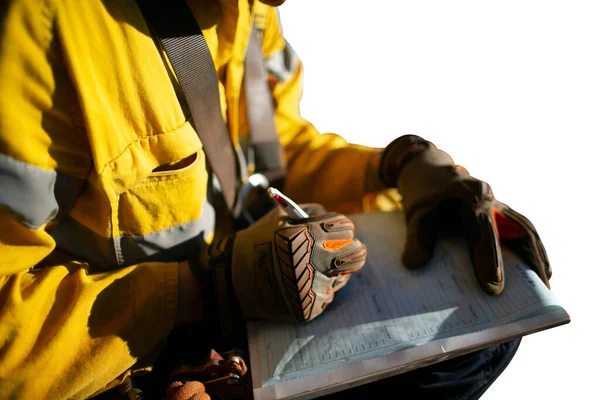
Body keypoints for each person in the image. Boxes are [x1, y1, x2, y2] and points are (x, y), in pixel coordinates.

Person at [0, 0, 552, 399]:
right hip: (129, 356)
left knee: (476, 343)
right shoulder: (42, 29)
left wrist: (397, 168)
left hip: (242, 312)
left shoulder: (250, 11)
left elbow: (275, 151)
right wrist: (207, 290)